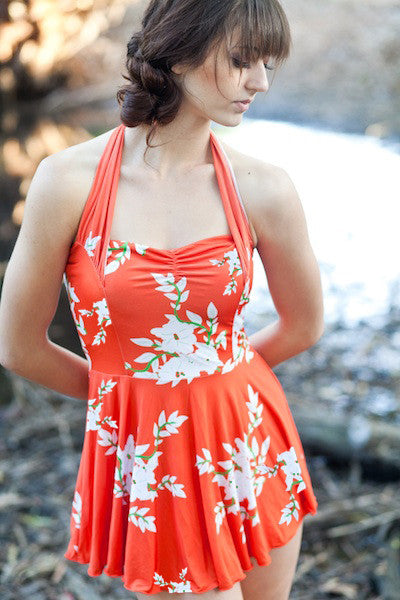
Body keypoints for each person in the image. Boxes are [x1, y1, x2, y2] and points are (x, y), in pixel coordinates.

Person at [0, 0, 324, 598]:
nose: (261, 82)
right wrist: (130, 398)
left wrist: (212, 381)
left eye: (268, 63)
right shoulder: (66, 182)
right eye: (242, 60)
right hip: (154, 461)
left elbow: (303, 325)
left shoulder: (264, 188)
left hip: (252, 441)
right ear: (178, 54)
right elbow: (19, 347)